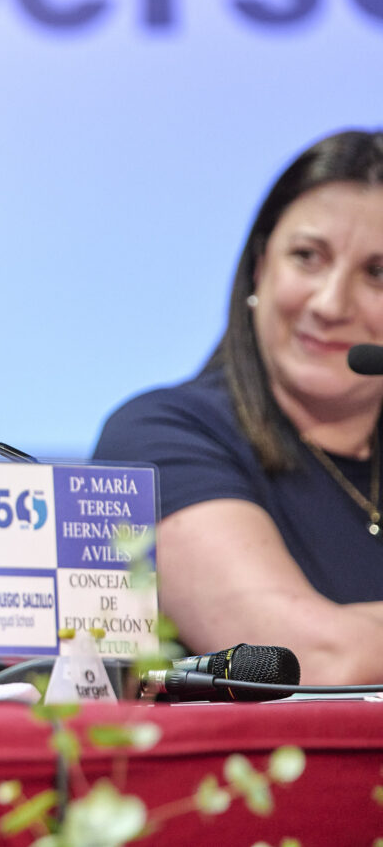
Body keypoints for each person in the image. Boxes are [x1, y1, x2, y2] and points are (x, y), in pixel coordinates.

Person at [94, 129, 383, 686]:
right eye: (307, 258)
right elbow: (314, 660)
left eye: (378, 273)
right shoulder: (162, 436)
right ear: (259, 268)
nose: (330, 304)